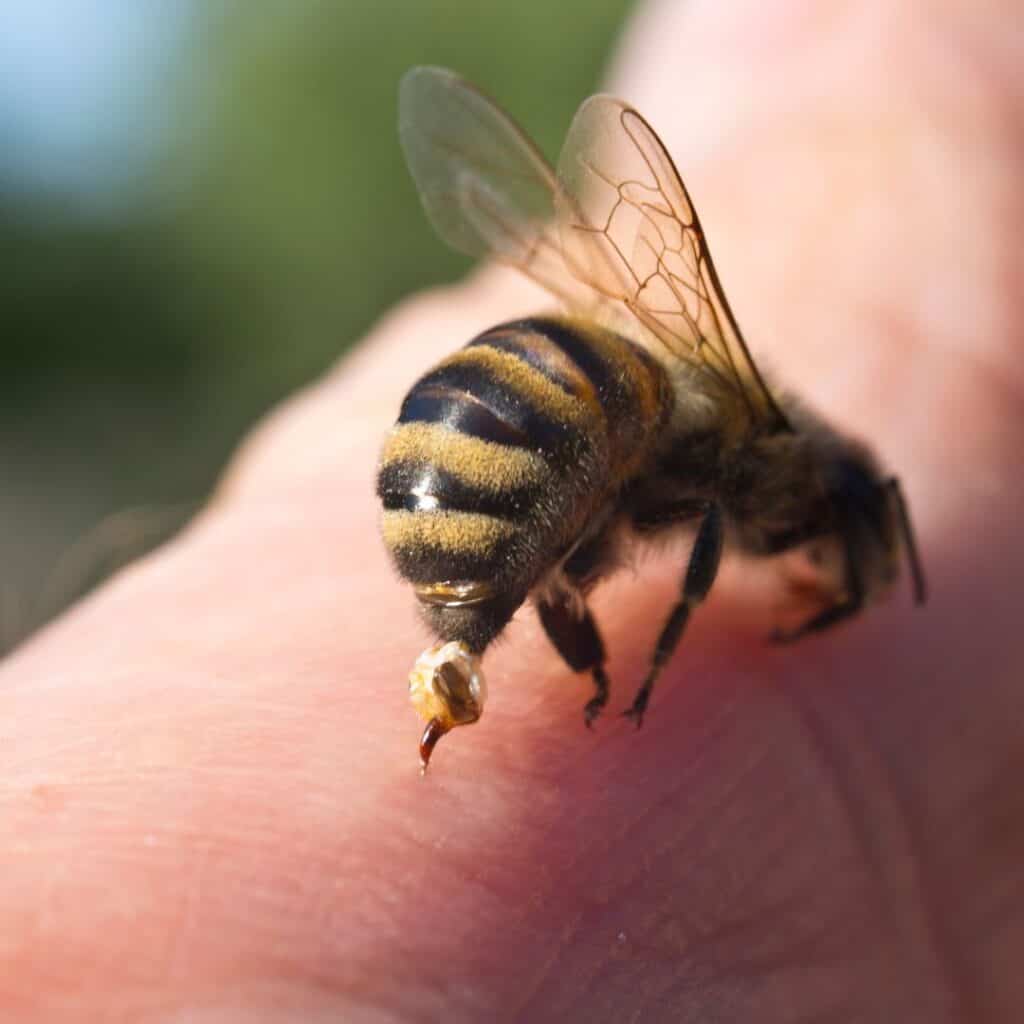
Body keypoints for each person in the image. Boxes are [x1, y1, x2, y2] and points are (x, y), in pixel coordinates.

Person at [2, 0, 1021, 1018]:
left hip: (463, 434)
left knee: (591, 485)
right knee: (605, 483)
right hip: (520, 432)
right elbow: (676, 514)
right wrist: (659, 658)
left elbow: (601, 509)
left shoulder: (671, 424)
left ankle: (491, 635)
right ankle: (542, 642)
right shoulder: (750, 453)